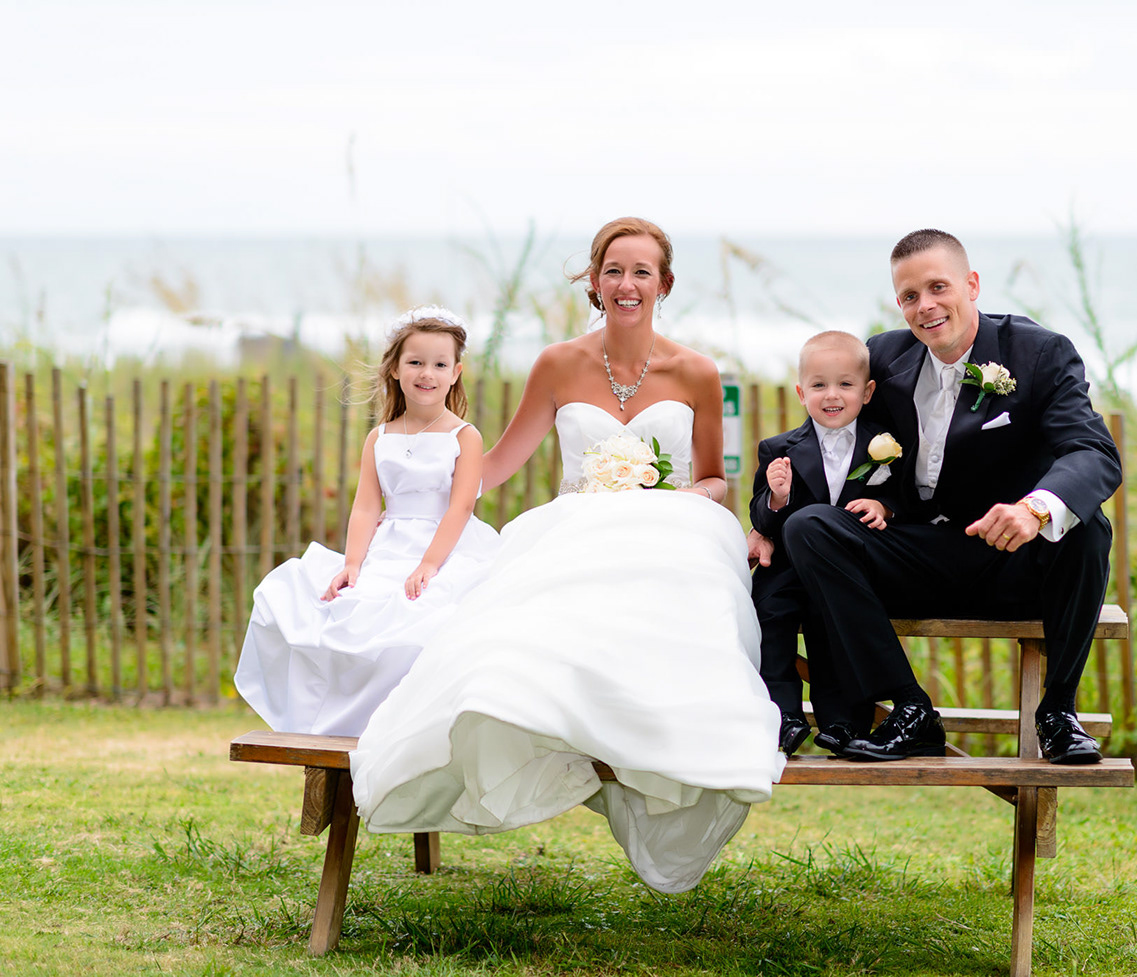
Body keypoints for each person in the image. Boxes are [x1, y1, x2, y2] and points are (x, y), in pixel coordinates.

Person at [350, 217, 783, 894]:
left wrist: (657, 493)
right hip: (575, 524)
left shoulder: (697, 372)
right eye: (614, 270)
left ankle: (672, 732)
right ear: (595, 282)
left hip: (661, 527)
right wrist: (417, 478)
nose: (627, 283)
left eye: (642, 271)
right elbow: (492, 466)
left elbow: (713, 479)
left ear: (664, 282)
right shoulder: (556, 364)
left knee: (689, 576)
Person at [764, 229, 1121, 764]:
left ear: (971, 284)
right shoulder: (884, 357)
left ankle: (1058, 712)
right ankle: (911, 710)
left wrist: (1034, 508)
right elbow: (825, 437)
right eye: (909, 296)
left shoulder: (1039, 353)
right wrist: (768, 519)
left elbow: (1094, 453)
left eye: (938, 288)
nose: (925, 307)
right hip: (917, 554)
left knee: (1087, 526)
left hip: (1010, 560)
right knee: (810, 527)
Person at [235, 307, 500, 737]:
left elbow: (460, 508)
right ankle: (354, 725)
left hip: (444, 546)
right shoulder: (379, 437)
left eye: (439, 364)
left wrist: (430, 565)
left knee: (422, 621)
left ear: (456, 373)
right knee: (348, 613)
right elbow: (365, 506)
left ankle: (412, 726)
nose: (426, 373)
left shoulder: (463, 436)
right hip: (389, 546)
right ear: (395, 368)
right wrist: (353, 563)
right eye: (415, 362)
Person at [748, 330, 900, 756]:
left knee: (832, 625)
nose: (831, 395)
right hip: (791, 567)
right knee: (769, 614)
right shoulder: (780, 449)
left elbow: (905, 495)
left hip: (847, 569)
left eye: (845, 385)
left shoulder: (883, 446)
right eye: (819, 385)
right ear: (801, 392)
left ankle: (843, 724)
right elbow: (760, 518)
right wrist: (776, 497)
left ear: (867, 392)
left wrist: (884, 506)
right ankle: (784, 716)